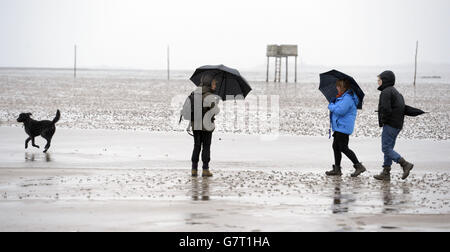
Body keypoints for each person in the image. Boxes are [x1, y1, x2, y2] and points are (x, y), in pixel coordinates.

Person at [374, 71, 414, 181]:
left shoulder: (386, 92)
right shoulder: (395, 92)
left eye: (379, 80)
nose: (378, 82)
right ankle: (386, 172)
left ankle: (404, 164)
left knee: (385, 148)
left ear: (385, 80)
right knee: (389, 148)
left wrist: (384, 120)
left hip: (391, 124)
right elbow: (397, 107)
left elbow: (387, 109)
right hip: (397, 124)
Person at [326, 79, 366, 177]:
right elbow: (338, 108)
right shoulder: (342, 97)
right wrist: (334, 103)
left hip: (343, 127)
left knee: (343, 148)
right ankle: (337, 169)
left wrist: (331, 105)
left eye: (338, 86)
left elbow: (341, 111)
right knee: (336, 146)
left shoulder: (347, 98)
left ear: (343, 88)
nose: (337, 88)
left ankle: (358, 166)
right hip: (340, 126)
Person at [190, 72, 221, 177]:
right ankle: (205, 169)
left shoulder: (195, 93)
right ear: (208, 84)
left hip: (195, 125)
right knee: (206, 146)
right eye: (213, 83)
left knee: (196, 146)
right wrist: (216, 103)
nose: (215, 85)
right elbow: (215, 111)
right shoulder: (209, 96)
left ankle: (194, 169)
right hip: (206, 126)